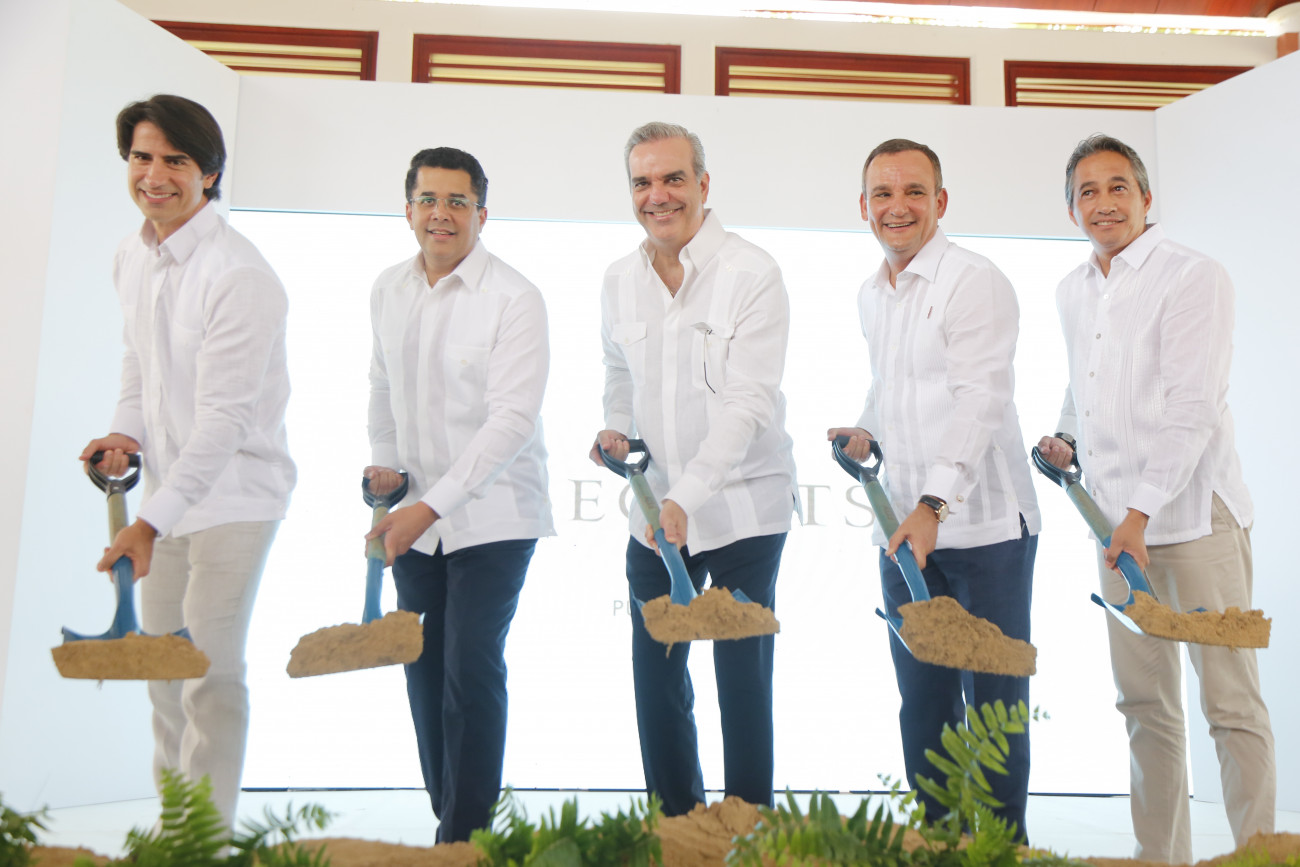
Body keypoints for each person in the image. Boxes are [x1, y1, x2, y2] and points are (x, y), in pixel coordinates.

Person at [1037, 134, 1275, 863]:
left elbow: (1192, 407)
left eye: (1118, 186)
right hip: (1116, 531)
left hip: (1194, 522)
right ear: (1071, 208)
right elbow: (1087, 380)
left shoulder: (1192, 275)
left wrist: (1139, 514)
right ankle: (1159, 855)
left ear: (1146, 197)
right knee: (1145, 705)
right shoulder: (1073, 289)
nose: (1103, 202)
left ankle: (1259, 854)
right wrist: (1066, 436)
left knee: (1229, 703)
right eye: (1087, 191)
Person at [80, 94, 295, 832]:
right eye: (142, 157)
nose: (155, 175)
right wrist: (124, 432)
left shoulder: (239, 275)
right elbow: (139, 361)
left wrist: (146, 523)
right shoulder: (132, 255)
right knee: (164, 676)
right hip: (166, 497)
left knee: (208, 672)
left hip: (235, 498)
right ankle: (177, 831)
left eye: (176, 160)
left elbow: (225, 422)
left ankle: (205, 842)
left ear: (210, 173)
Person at [827, 138, 1040, 840]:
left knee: (994, 704)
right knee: (923, 700)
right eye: (883, 194)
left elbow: (980, 400)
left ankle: (1000, 849)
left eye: (914, 192)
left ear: (940, 202)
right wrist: (866, 429)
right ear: (863, 206)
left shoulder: (974, 280)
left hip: (985, 532)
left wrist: (932, 505)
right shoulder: (872, 293)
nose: (898, 207)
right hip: (906, 532)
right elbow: (894, 386)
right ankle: (940, 842)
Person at [590, 121, 798, 816]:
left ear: (703, 184)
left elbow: (748, 402)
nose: (658, 195)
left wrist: (687, 495)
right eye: (643, 182)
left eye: (673, 178)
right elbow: (619, 372)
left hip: (743, 509)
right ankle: (676, 828)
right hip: (654, 514)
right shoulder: (618, 280)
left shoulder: (753, 273)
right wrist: (616, 428)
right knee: (656, 679)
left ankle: (745, 829)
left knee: (742, 681)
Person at [363, 147, 554, 843]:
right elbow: (383, 385)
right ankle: (450, 815)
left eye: (457, 202)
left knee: (470, 664)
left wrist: (427, 507)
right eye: (428, 199)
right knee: (422, 666)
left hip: (494, 517)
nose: (440, 214)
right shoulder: (388, 288)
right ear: (408, 208)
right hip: (413, 517)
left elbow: (511, 421)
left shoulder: (515, 298)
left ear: (482, 213)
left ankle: (465, 837)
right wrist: (386, 469)